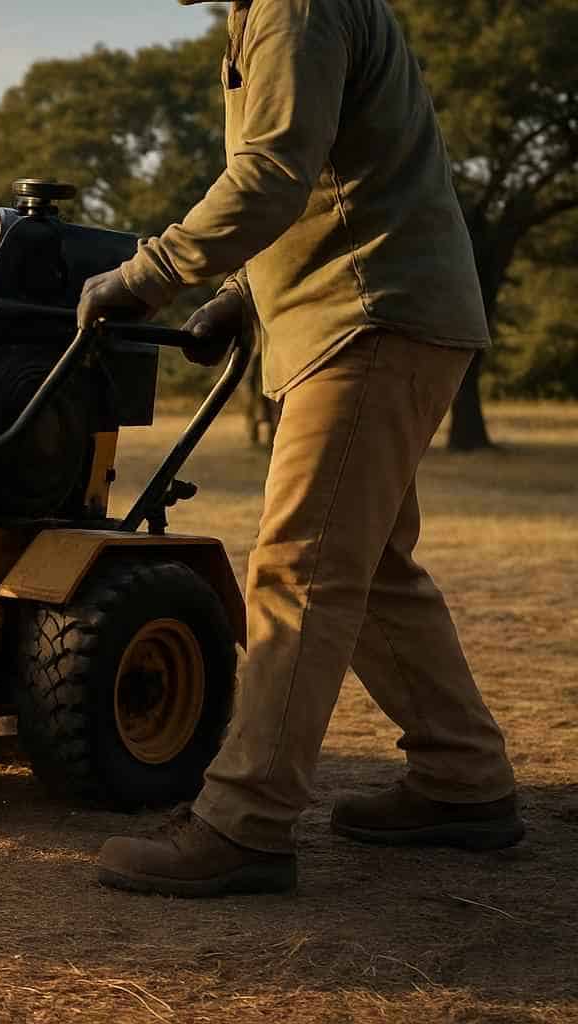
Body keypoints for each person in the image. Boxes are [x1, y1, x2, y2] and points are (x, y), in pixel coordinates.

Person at [76, 0, 523, 897]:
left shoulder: (294, 5)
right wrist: (242, 292)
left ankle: (245, 824)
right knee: (376, 568)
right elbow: (323, 172)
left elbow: (274, 170)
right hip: (373, 313)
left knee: (301, 568)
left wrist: (147, 274)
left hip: (365, 317)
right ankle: (461, 780)